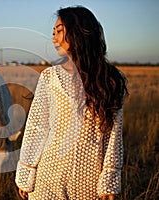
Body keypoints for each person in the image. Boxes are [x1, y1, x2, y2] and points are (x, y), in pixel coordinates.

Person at [15, 6, 128, 200]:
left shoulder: (111, 79)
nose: (54, 38)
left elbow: (114, 134)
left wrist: (109, 179)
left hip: (90, 183)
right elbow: (37, 128)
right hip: (48, 179)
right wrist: (26, 174)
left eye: (59, 31)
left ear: (79, 31)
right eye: (53, 33)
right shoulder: (50, 77)